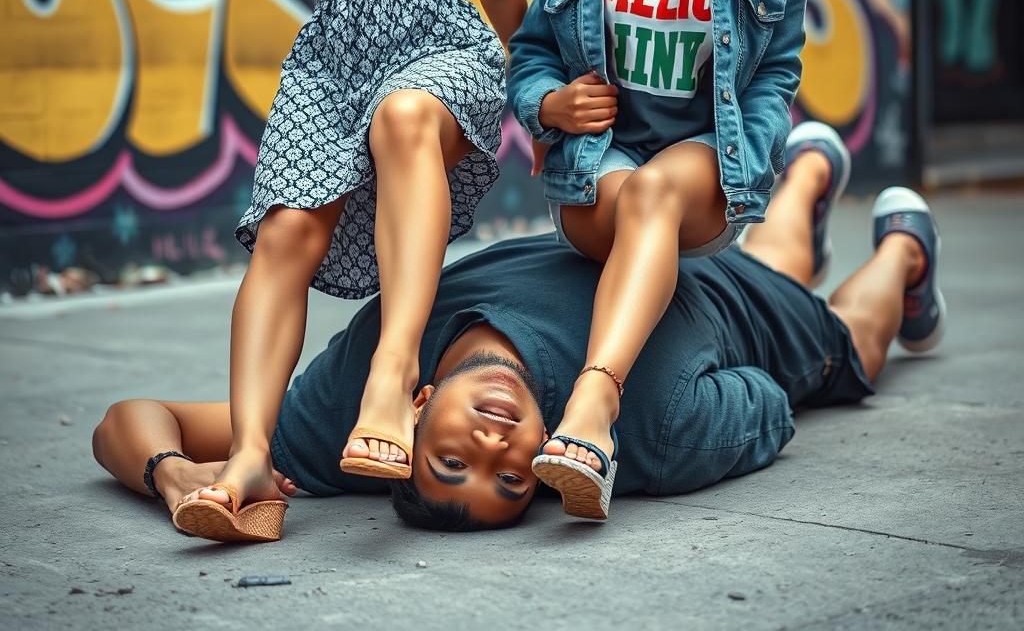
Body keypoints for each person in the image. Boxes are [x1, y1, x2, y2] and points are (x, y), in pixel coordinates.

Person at [93, 122, 947, 533]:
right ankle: (905, 249)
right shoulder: (641, 435)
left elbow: (126, 421)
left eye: (452, 459)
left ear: (416, 407)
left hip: (646, 229)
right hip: (732, 307)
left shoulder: (355, 406)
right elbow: (767, 398)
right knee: (842, 334)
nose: (496, 450)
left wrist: (176, 480)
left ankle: (803, 176)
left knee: (769, 239)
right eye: (511, 482)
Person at [171, 0, 527, 542]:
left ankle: (389, 378)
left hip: (440, 52)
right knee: (288, 231)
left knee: (407, 118)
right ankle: (253, 458)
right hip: (330, 63)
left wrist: (551, 91)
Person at [506, 0, 807, 514]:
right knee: (638, 188)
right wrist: (550, 105)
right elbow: (530, 56)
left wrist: (749, 148)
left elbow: (777, 68)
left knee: (663, 186)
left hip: (703, 171)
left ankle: (592, 412)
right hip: (597, 170)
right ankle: (595, 420)